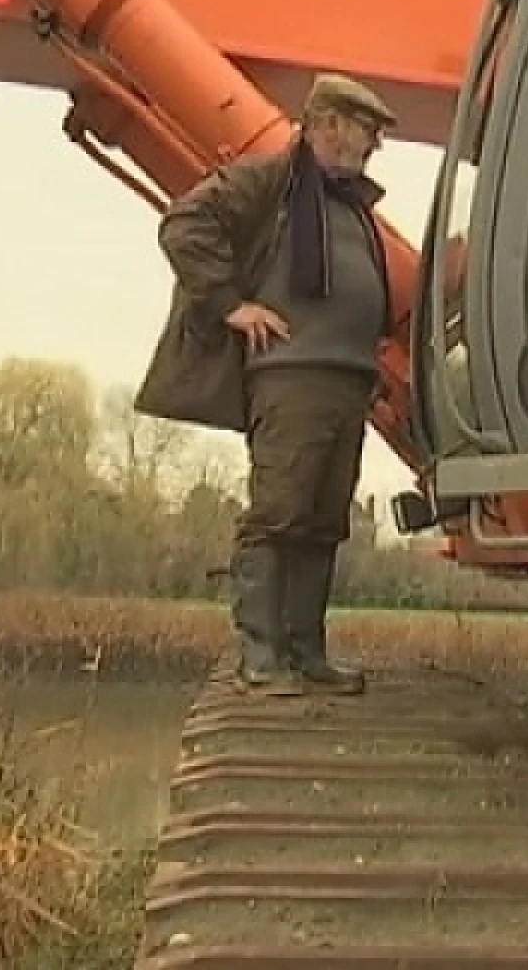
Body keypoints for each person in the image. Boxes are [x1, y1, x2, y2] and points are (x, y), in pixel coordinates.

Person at [131, 72, 398, 697]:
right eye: (368, 130)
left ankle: (306, 654)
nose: (376, 144)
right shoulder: (271, 181)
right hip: (292, 375)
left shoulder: (351, 204)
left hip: (346, 381)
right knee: (279, 513)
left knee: (325, 519)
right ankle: (260, 655)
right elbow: (184, 224)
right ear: (329, 123)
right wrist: (231, 304)